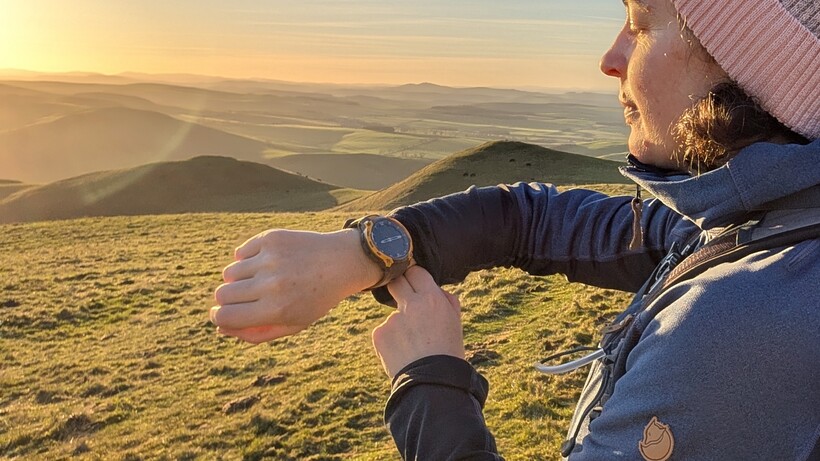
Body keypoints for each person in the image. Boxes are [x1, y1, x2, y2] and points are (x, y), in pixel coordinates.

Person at [210, 0, 820, 458]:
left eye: (639, 24)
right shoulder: (760, 218)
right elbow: (529, 219)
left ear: (753, 61)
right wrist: (364, 250)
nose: (610, 60)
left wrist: (428, 380)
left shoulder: (743, 322)